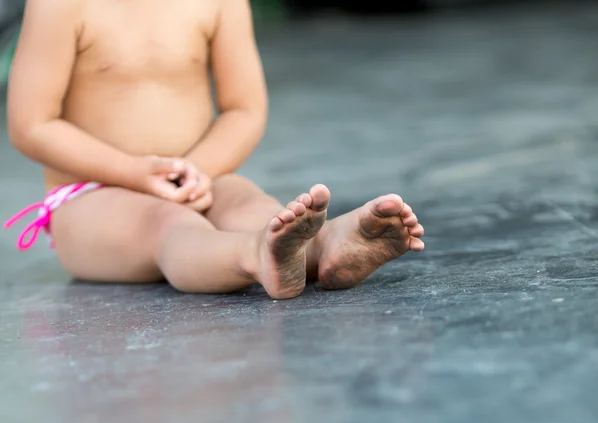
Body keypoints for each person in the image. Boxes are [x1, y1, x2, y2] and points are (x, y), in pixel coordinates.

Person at [4, 0, 425, 299]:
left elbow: (244, 109)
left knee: (248, 203)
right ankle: (253, 255)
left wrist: (200, 171)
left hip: (198, 179)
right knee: (165, 223)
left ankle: (327, 246)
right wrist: (135, 173)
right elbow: (31, 125)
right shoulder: (60, 5)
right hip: (90, 200)